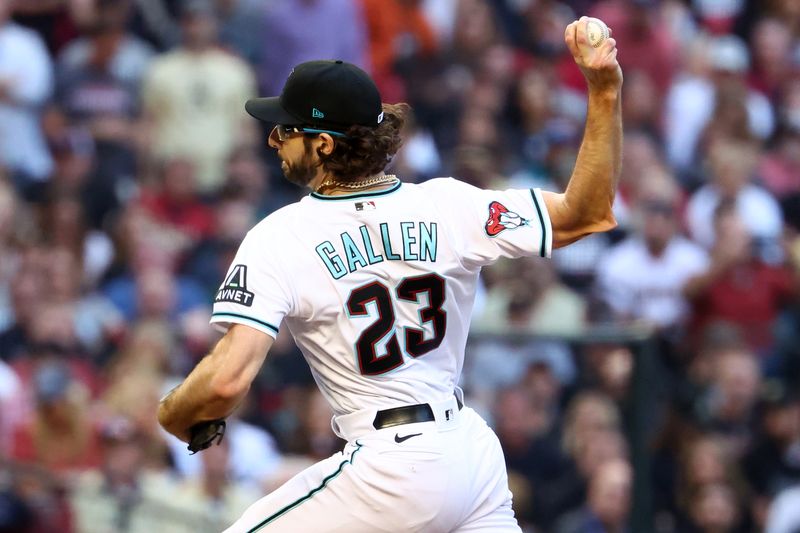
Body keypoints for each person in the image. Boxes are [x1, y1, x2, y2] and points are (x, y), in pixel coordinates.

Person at [158, 16, 622, 532]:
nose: (274, 139)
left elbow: (225, 382)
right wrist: (603, 93)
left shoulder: (282, 234)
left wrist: (174, 413)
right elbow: (586, 213)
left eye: (288, 129)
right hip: (470, 452)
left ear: (326, 145)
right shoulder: (447, 204)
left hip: (393, 464)